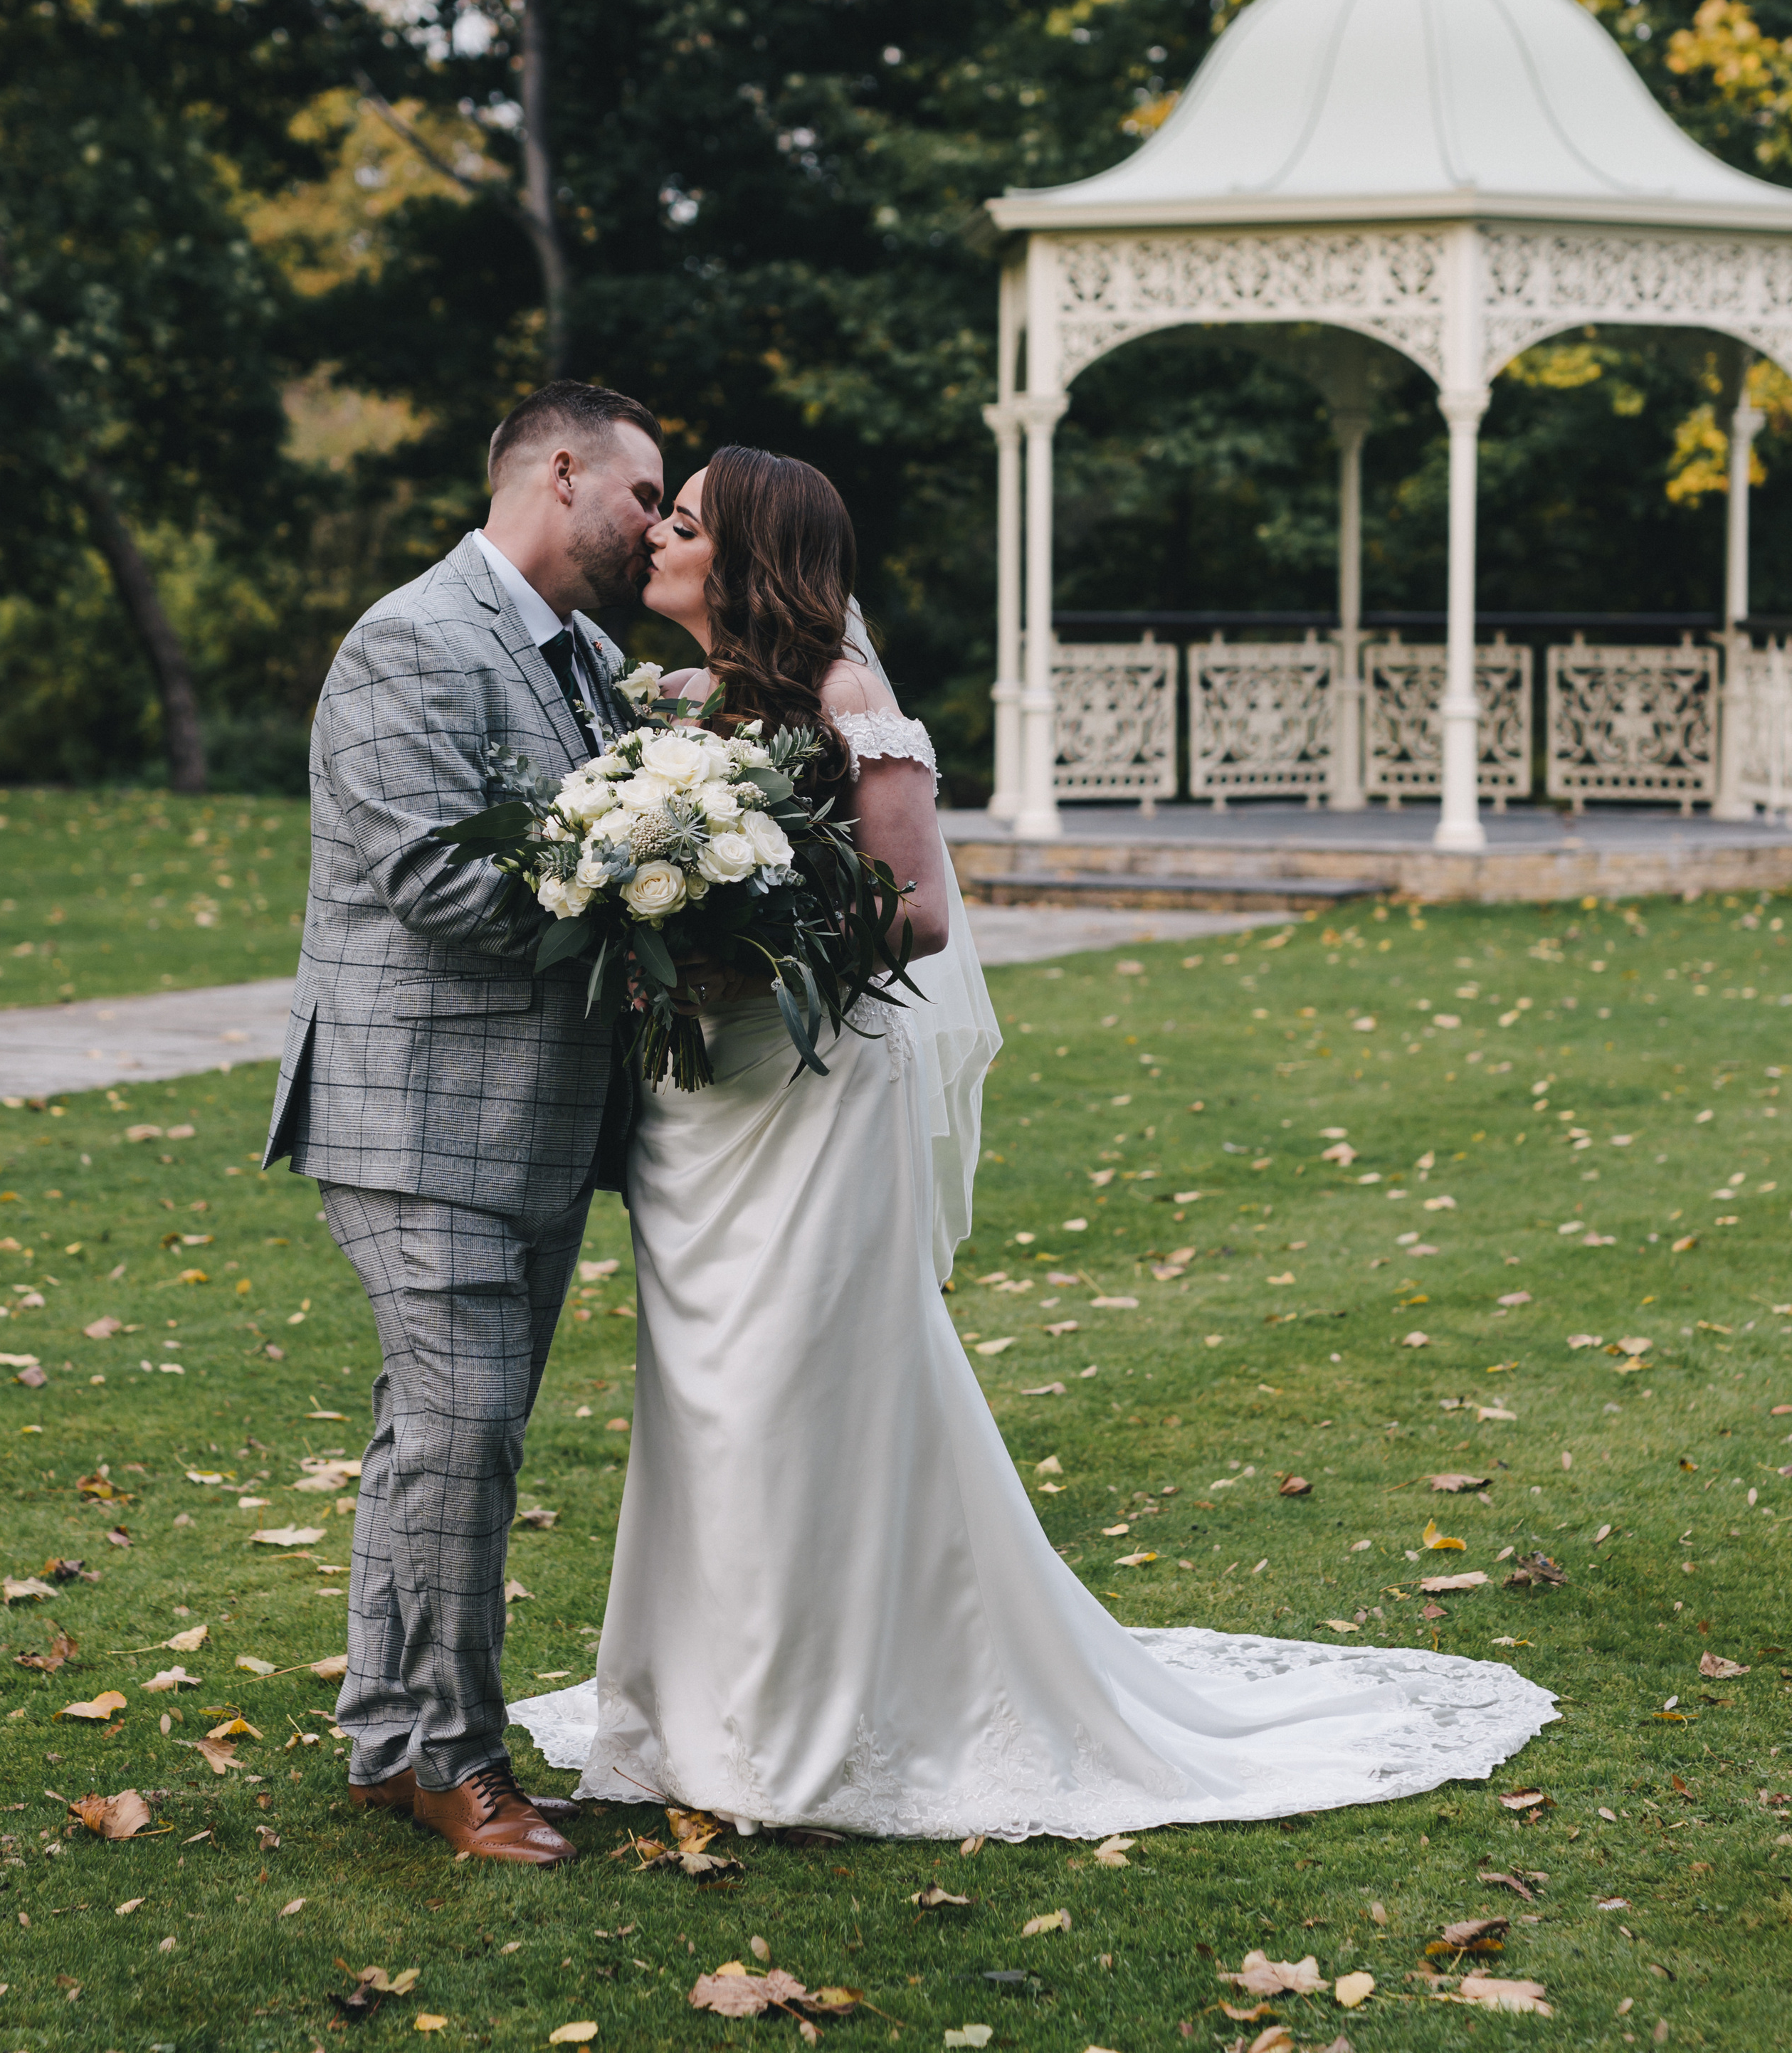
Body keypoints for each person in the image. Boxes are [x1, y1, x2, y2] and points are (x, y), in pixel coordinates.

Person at [510, 447, 1558, 1839]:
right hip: (703, 1113)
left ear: (748, 555)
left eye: (685, 522)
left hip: (815, 1094)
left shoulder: (848, 705)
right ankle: (692, 1709)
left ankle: (818, 1725)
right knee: (702, 1401)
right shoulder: (672, 703)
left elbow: (919, 911)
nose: (656, 540)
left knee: (797, 1388)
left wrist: (739, 945)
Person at [264, 379, 665, 1866]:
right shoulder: (410, 640)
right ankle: (456, 1761)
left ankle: (384, 1740)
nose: (653, 526)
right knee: (466, 1432)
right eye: (642, 495)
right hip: (411, 1108)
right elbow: (435, 879)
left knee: (430, 1435)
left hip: (538, 1115)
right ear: (559, 473)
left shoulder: (591, 656)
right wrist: (650, 905)